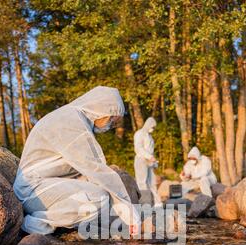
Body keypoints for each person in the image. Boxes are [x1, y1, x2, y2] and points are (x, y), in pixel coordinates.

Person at [13, 86, 140, 236]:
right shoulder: (71, 122)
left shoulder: (74, 118)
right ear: (102, 109)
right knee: (99, 198)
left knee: (96, 197)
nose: (111, 126)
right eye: (112, 120)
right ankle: (34, 224)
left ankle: (57, 223)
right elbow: (95, 169)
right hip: (33, 189)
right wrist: (130, 213)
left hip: (45, 185)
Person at [134, 117, 162, 207]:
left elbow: (151, 151)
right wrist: (149, 156)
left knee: (152, 182)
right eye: (152, 127)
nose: (153, 129)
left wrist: (153, 162)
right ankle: (145, 203)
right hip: (141, 160)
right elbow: (138, 148)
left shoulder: (149, 136)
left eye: (154, 127)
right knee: (142, 182)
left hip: (149, 162)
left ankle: (157, 202)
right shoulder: (139, 134)